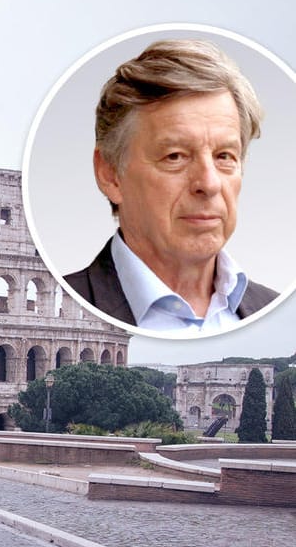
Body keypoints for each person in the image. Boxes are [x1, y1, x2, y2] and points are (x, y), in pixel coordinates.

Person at [65, 39, 279, 333]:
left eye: (224, 156)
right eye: (175, 156)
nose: (209, 183)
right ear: (110, 174)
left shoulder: (271, 306)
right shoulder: (73, 298)